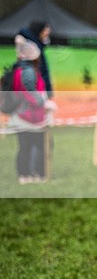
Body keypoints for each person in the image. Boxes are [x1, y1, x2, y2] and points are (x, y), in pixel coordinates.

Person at [8, 35, 57, 183]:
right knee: (41, 145)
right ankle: (37, 174)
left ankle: (25, 175)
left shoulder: (18, 70)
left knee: (25, 147)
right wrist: (44, 104)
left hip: (21, 114)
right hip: (31, 116)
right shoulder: (28, 71)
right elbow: (30, 92)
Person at [18, 21, 53, 98]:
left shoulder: (41, 42)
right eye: (45, 30)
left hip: (37, 65)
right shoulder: (31, 38)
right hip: (30, 66)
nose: (47, 33)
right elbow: (23, 32)